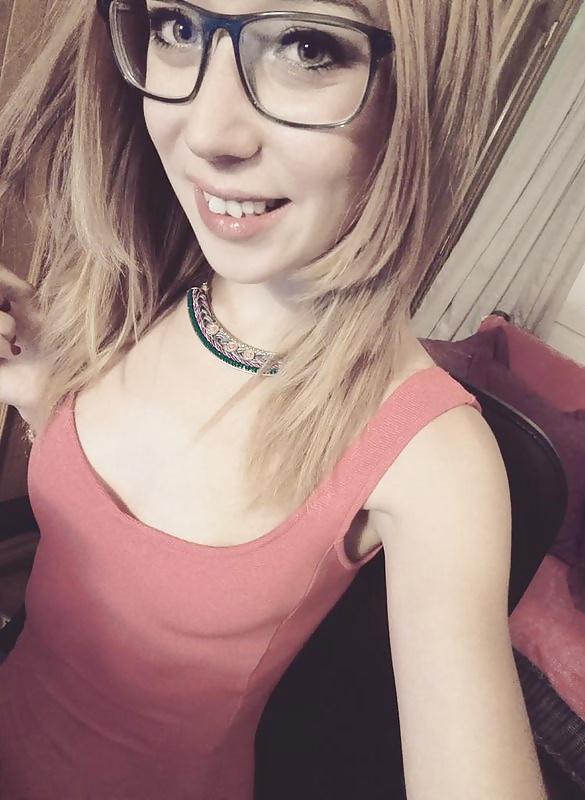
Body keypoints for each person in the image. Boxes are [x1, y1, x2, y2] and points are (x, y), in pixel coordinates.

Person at [0, 0, 548, 798]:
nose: (207, 131)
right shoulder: (135, 290)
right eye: (178, 26)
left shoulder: (432, 455)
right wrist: (42, 391)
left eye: (306, 45)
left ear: (422, 91)